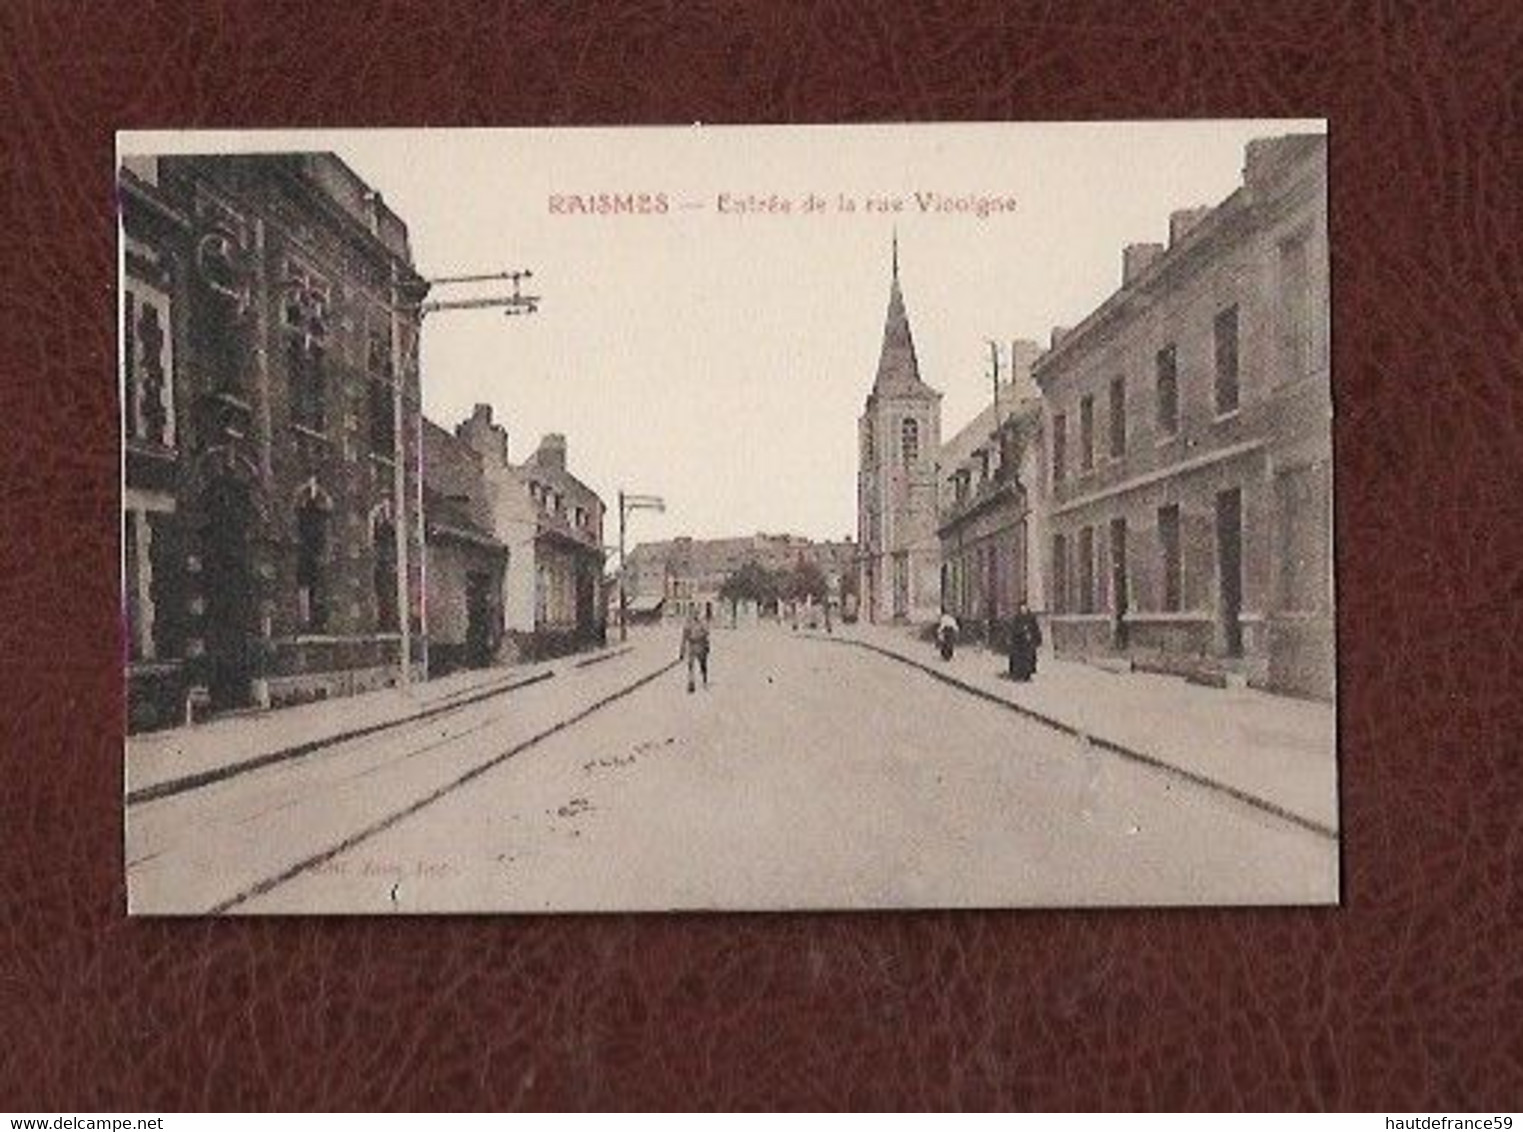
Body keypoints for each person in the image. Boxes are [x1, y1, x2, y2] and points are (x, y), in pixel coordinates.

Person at [1007, 600, 1042, 681]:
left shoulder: (1031, 617)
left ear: (1027, 608)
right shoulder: (1017, 618)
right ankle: (1018, 675)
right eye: (1021, 608)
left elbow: (1035, 629)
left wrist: (1037, 639)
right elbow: (1014, 629)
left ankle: (1027, 676)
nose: (1023, 609)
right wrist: (1021, 631)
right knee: (1019, 660)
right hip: (1019, 643)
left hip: (1028, 643)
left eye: (1024, 607)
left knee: (1028, 660)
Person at [680, 608, 711, 693]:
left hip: (701, 645)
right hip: (692, 645)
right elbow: (684, 637)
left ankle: (704, 681)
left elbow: (706, 635)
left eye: (696, 614)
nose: (695, 616)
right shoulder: (688, 624)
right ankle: (691, 683)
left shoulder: (702, 624)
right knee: (691, 665)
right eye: (693, 614)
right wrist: (682, 651)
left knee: (703, 665)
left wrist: (707, 646)